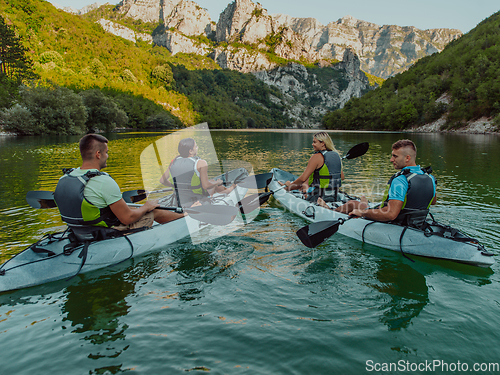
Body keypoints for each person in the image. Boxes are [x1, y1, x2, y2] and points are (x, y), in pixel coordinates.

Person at [54, 134, 183, 232]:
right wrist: (146, 207)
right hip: (104, 231)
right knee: (153, 211)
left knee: (132, 208)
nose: (107, 156)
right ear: (98, 154)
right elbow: (127, 219)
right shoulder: (103, 181)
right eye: (106, 152)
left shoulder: (65, 177)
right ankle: (185, 218)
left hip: (79, 230)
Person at [339, 139, 437, 222]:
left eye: (395, 156)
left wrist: (362, 212)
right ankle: (364, 201)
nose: (391, 159)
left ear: (407, 158)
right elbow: (432, 201)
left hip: (395, 223)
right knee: (363, 204)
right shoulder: (430, 177)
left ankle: (328, 209)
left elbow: (391, 215)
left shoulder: (401, 180)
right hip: (416, 222)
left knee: (353, 204)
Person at [159, 138, 236, 207]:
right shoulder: (201, 163)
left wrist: (175, 186)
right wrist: (218, 182)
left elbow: (162, 181)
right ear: (190, 151)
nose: (197, 148)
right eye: (196, 146)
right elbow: (206, 186)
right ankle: (228, 190)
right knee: (212, 183)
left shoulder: (174, 161)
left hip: (178, 201)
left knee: (211, 182)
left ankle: (223, 191)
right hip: (197, 201)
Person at [280, 132, 344, 201]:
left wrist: (289, 186)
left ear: (322, 143)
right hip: (335, 196)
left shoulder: (316, 157)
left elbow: (302, 179)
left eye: (314, 142)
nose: (312, 144)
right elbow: (342, 177)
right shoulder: (336, 155)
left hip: (319, 197)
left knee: (305, 191)